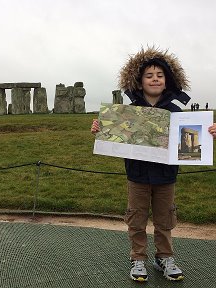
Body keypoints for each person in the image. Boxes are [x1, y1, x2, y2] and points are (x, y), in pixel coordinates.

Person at [91, 47, 216, 283]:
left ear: (167, 80)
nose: (155, 78)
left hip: (166, 176)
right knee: (136, 218)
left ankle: (164, 257)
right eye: (149, 75)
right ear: (139, 81)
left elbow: (191, 140)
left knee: (165, 220)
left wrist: (209, 133)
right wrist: (100, 128)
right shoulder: (129, 112)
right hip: (137, 175)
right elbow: (114, 135)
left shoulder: (177, 112)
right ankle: (138, 257)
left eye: (160, 74)